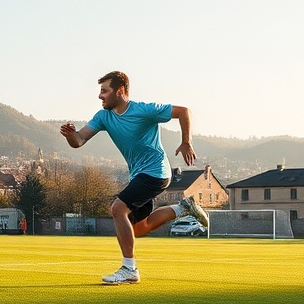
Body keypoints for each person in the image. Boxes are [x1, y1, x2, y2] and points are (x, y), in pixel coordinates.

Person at [60, 70, 208, 285]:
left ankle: (129, 269)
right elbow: (80, 140)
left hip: (156, 172)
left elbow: (184, 111)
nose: (100, 96)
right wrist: (70, 135)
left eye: (104, 91)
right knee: (139, 228)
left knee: (118, 208)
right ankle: (183, 208)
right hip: (139, 176)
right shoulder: (104, 116)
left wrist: (187, 142)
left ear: (120, 91)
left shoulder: (144, 110)